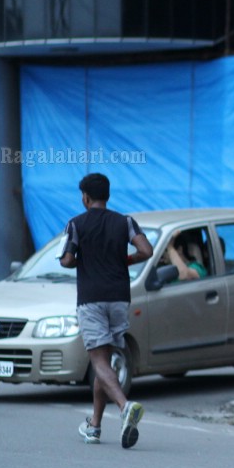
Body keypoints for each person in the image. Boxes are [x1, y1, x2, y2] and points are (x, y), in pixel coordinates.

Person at [60, 172, 153, 448]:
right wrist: (127, 258)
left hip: (91, 299)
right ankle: (95, 426)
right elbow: (146, 250)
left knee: (99, 362)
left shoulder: (76, 223)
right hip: (119, 298)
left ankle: (125, 407)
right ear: (107, 195)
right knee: (105, 361)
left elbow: (66, 260)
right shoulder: (125, 221)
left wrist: (81, 261)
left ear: (85, 198)